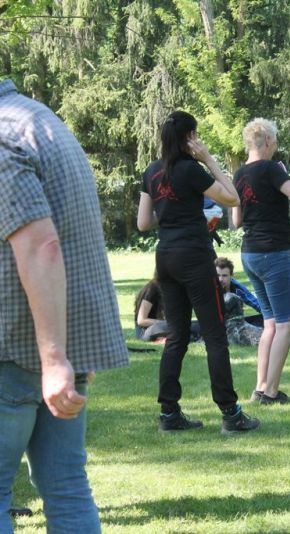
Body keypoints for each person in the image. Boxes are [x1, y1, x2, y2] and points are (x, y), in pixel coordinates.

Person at [0, 78, 128, 533]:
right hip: (59, 346)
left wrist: (54, 359)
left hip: (17, 351)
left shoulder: (4, 133)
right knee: (67, 486)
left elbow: (42, 247)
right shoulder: (38, 119)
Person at [138, 110, 260, 434]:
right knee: (215, 335)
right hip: (194, 256)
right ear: (189, 137)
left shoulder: (151, 172)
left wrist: (170, 213)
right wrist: (208, 159)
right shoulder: (192, 169)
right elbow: (232, 198)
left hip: (165, 257)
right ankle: (231, 414)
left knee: (176, 336)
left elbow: (143, 222)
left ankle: (169, 414)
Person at [231, 118, 290, 405]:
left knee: (270, 322)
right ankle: (270, 393)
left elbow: (236, 220)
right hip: (272, 252)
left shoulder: (239, 174)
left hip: (249, 253)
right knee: (288, 322)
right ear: (269, 141)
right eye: (275, 141)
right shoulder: (271, 168)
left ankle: (260, 387)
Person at [214, 258, 264, 347]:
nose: (220, 279)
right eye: (218, 275)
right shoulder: (209, 288)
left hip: (236, 323)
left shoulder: (238, 287)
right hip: (215, 324)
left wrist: (273, 318)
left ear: (231, 276)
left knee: (263, 319)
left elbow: (255, 303)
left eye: (224, 276)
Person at [134, 276, 169, 341]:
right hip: (144, 332)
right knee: (176, 326)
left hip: (157, 328)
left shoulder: (168, 288)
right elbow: (141, 320)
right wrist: (164, 322)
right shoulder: (152, 289)